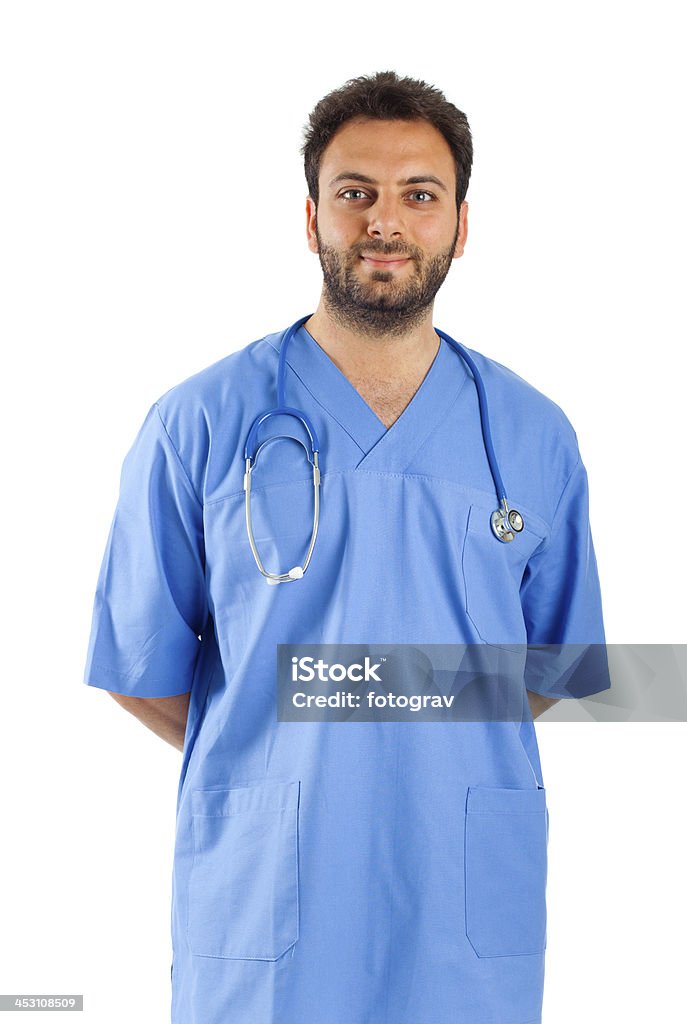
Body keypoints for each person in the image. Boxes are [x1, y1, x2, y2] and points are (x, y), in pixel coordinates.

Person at [83, 70, 610, 1024]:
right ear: (312, 216)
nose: (384, 222)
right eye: (354, 192)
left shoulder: (532, 435)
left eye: (420, 195)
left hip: (462, 892)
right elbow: (142, 665)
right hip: (268, 895)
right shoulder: (199, 421)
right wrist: (286, 748)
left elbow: (554, 660)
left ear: (459, 223)